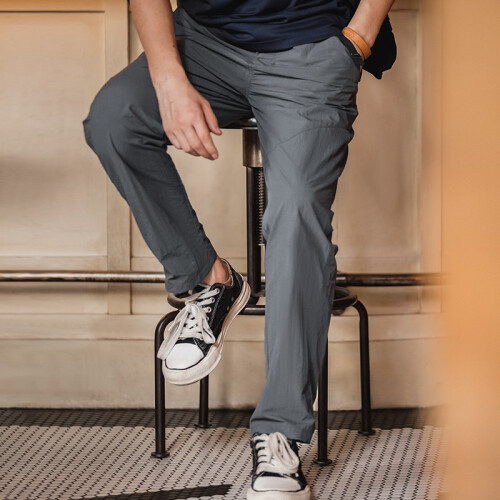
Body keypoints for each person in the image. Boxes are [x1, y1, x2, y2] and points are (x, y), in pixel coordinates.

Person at [82, 0, 395, 497]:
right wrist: (169, 79)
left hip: (312, 47)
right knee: (114, 120)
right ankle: (211, 281)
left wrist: (359, 38)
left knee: (296, 214)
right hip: (204, 42)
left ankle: (281, 431)